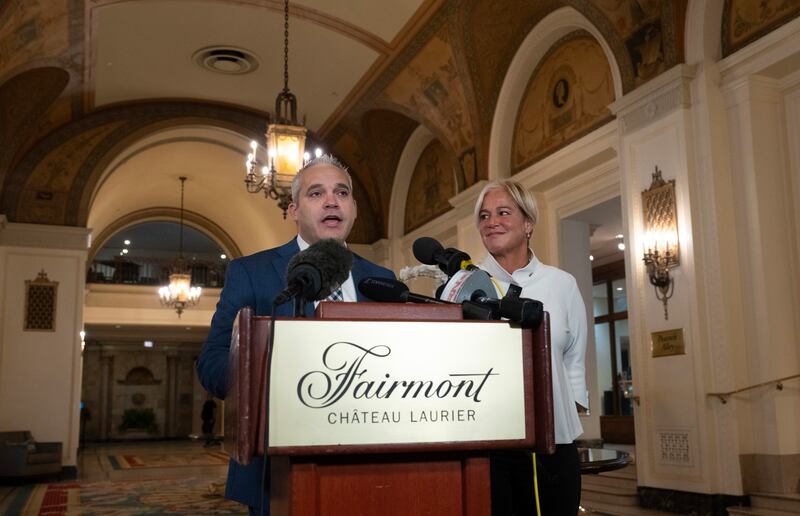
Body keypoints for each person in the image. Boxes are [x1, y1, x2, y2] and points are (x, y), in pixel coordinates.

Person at [196, 154, 395, 515]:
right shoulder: (251, 272)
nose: (332, 201)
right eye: (316, 193)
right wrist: (263, 378)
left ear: (353, 210)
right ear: (293, 210)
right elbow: (211, 361)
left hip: (372, 464)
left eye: (342, 193)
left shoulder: (382, 280)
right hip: (277, 470)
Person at [475, 179, 587, 516]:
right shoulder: (465, 284)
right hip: (487, 444)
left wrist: (567, 410)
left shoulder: (562, 283)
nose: (491, 221)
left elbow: (574, 358)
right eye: (483, 215)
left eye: (503, 212)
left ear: (528, 223)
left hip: (554, 441)